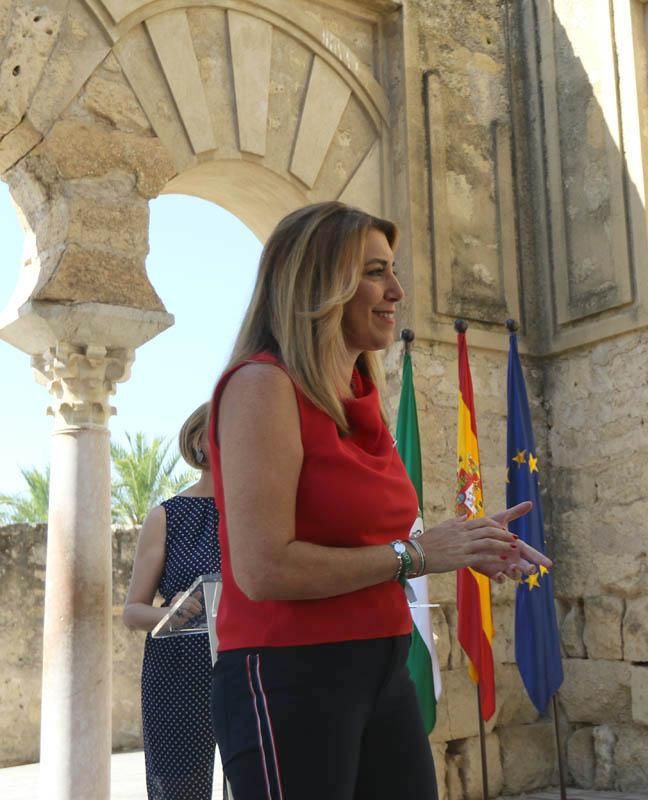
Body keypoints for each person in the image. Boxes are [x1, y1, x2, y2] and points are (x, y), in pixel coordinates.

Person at [207, 201, 550, 800]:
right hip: (289, 679)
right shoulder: (263, 386)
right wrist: (418, 555)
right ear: (317, 285)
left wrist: (465, 543)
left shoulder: (362, 393)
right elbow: (263, 570)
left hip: (382, 668)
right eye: (373, 272)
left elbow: (371, 539)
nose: (396, 290)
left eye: (391, 270)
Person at [122, 403, 221, 800]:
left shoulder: (263, 513)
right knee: (179, 794)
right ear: (199, 442)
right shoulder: (167, 516)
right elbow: (133, 611)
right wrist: (171, 613)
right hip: (178, 676)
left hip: (247, 667)